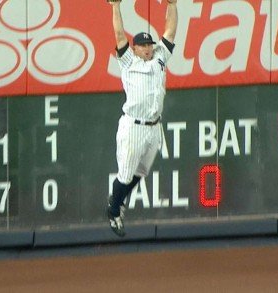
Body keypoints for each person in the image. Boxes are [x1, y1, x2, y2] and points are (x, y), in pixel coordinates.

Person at [107, 0, 178, 237]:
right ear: (135, 48)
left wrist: (173, 4)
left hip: (153, 127)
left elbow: (170, 29)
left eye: (149, 44)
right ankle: (114, 209)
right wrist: (115, 6)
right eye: (142, 45)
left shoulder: (159, 58)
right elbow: (119, 34)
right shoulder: (128, 62)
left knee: (141, 172)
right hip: (133, 126)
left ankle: (120, 197)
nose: (147, 48)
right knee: (126, 174)